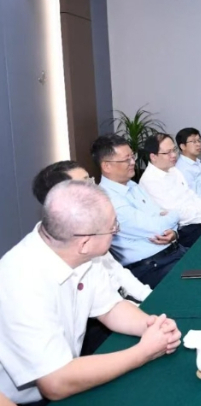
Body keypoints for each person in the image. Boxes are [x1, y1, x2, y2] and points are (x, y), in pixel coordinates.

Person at [0, 181, 181, 404]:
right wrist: (143, 352)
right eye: (113, 228)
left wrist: (152, 327)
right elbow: (55, 383)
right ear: (85, 242)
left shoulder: (76, 250)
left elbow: (110, 307)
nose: (116, 233)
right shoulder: (21, 282)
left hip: (69, 371)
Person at [32, 161, 152, 303]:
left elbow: (118, 271)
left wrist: (149, 297)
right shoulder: (48, 260)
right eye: (85, 184)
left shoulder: (90, 226)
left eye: (90, 180)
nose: (95, 189)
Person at [93, 134, 186, 289]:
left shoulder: (133, 186)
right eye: (126, 159)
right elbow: (158, 227)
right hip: (150, 267)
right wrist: (175, 214)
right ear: (107, 166)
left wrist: (174, 232)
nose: (132, 162)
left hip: (173, 252)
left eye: (132, 156)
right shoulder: (108, 200)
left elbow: (162, 215)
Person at [140, 133, 201, 247]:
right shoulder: (150, 180)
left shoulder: (173, 170)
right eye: (168, 152)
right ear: (153, 157)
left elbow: (191, 194)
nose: (174, 155)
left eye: (174, 150)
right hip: (180, 230)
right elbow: (176, 213)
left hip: (198, 220)